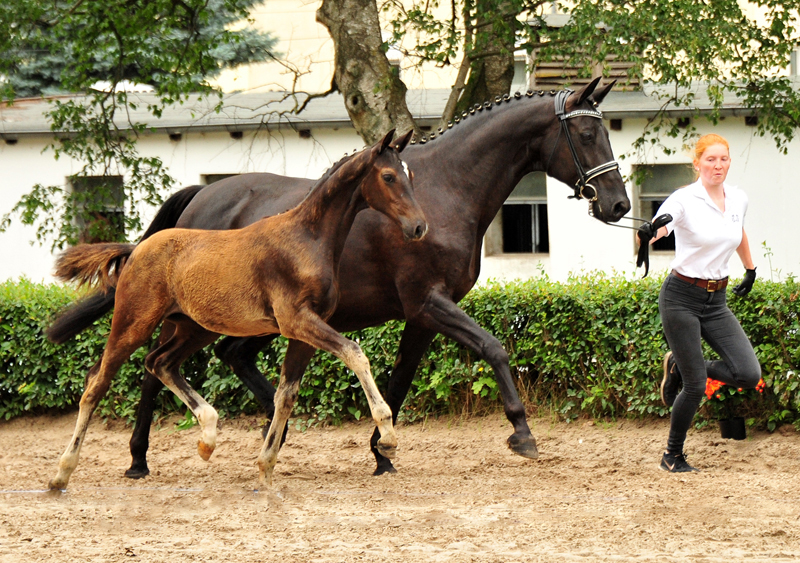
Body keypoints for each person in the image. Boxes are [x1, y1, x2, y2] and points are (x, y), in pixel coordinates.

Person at [637, 133, 761, 473]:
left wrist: (749, 268)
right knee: (694, 386)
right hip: (681, 297)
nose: (717, 165)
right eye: (710, 159)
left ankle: (679, 364)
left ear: (729, 162)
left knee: (748, 373)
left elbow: (739, 233)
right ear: (697, 164)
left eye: (723, 159)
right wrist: (650, 232)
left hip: (716, 300)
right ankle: (672, 455)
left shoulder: (738, 199)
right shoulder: (683, 200)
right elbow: (660, 228)